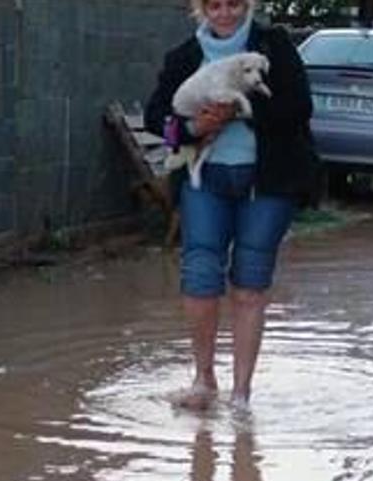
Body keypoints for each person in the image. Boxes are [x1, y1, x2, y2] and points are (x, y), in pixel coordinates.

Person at [145, 0, 316, 410]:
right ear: (200, 8)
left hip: (268, 182)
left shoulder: (273, 47)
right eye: (215, 5)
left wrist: (236, 113)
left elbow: (298, 108)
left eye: (234, 4)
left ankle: (241, 394)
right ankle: (203, 381)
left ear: (248, 5)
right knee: (200, 275)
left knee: (250, 284)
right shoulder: (183, 57)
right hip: (205, 181)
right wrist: (190, 128)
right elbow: (157, 118)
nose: (225, 13)